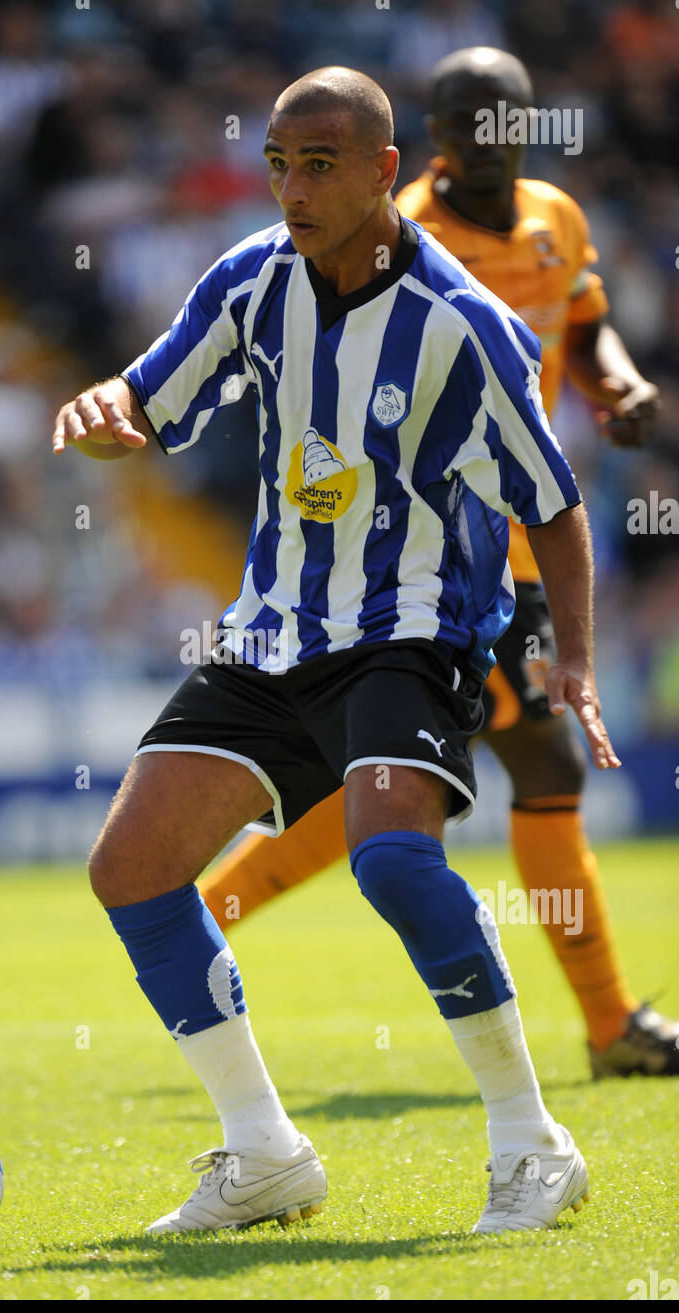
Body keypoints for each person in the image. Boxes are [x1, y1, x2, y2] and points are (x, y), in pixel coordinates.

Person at [53, 66, 617, 1235]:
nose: (291, 186)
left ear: (382, 169)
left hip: (412, 631)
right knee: (131, 867)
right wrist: (103, 410)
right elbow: (148, 401)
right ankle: (262, 1152)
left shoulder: (463, 325)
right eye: (276, 161)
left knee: (393, 862)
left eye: (317, 164)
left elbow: (554, 505)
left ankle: (531, 1141)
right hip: (271, 634)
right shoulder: (250, 282)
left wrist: (570, 660)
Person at [199, 47, 678, 1081]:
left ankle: (202, 914)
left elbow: (584, 331)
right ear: (427, 137)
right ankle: (606, 1025)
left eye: (497, 119)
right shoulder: (399, 233)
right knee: (496, 771)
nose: (478, 139)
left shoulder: (555, 219)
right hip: (441, 553)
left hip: (524, 539)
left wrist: (620, 387)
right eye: (457, 121)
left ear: (523, 125)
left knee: (386, 786)